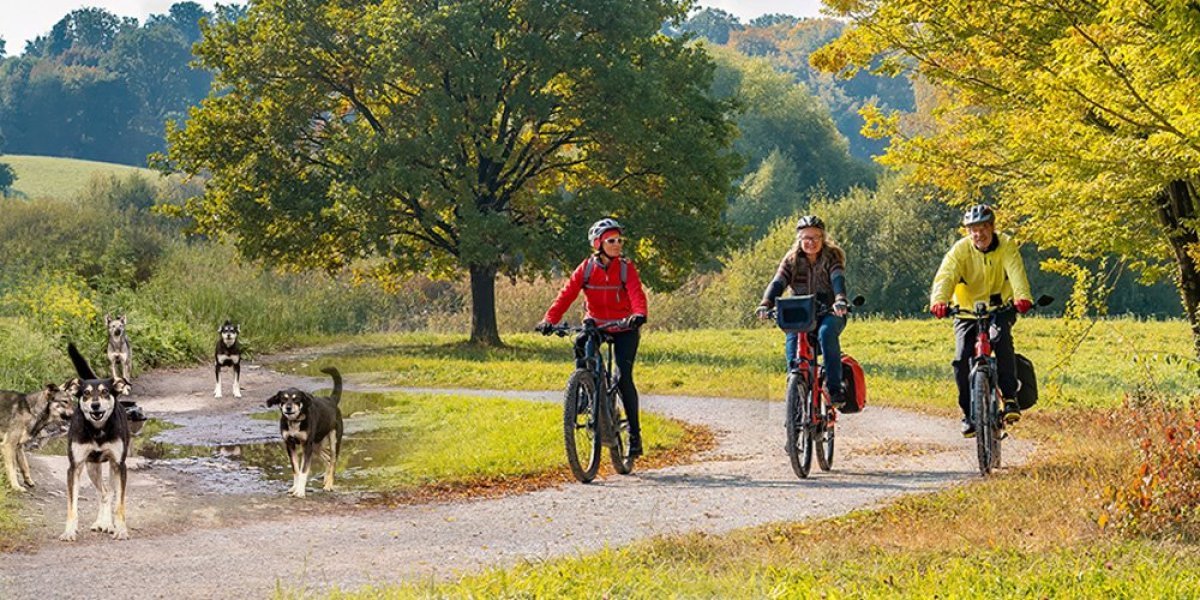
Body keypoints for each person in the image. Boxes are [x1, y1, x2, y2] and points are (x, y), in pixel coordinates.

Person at [536, 217, 649, 457]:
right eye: (611, 240)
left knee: (623, 377)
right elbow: (566, 295)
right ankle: (585, 388)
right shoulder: (586, 268)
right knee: (580, 343)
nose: (617, 244)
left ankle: (635, 435)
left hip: (624, 326)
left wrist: (638, 314)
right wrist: (549, 320)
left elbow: (636, 293)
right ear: (598, 243)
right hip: (596, 323)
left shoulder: (626, 268)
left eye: (619, 240)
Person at [929, 204, 1033, 438]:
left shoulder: (1006, 245)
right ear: (967, 232)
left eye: (983, 228)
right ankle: (968, 414)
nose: (978, 234)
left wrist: (1022, 297)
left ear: (992, 228)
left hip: (1000, 308)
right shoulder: (960, 250)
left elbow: (1016, 272)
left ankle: (1009, 399)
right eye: (973, 230)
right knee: (960, 358)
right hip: (966, 311)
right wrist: (939, 301)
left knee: (1001, 340)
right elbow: (946, 276)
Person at [756, 215, 850, 406]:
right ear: (799, 240)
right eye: (806, 238)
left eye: (816, 237)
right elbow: (778, 283)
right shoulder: (791, 260)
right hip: (799, 312)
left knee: (826, 333)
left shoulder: (832, 256)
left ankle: (834, 388)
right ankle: (795, 395)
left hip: (829, 311)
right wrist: (766, 304)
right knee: (794, 354)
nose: (811, 242)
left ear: (823, 238)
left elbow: (838, 279)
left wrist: (840, 300)